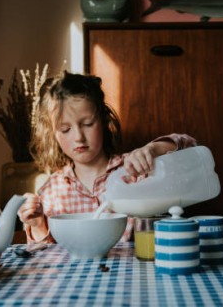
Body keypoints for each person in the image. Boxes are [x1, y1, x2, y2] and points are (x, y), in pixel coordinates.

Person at [17, 71, 196, 243]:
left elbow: (192, 149)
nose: (78, 136)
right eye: (66, 129)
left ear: (103, 122)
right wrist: (38, 224)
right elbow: (47, 258)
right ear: (54, 134)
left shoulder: (135, 169)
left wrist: (153, 149)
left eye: (87, 124)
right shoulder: (51, 192)